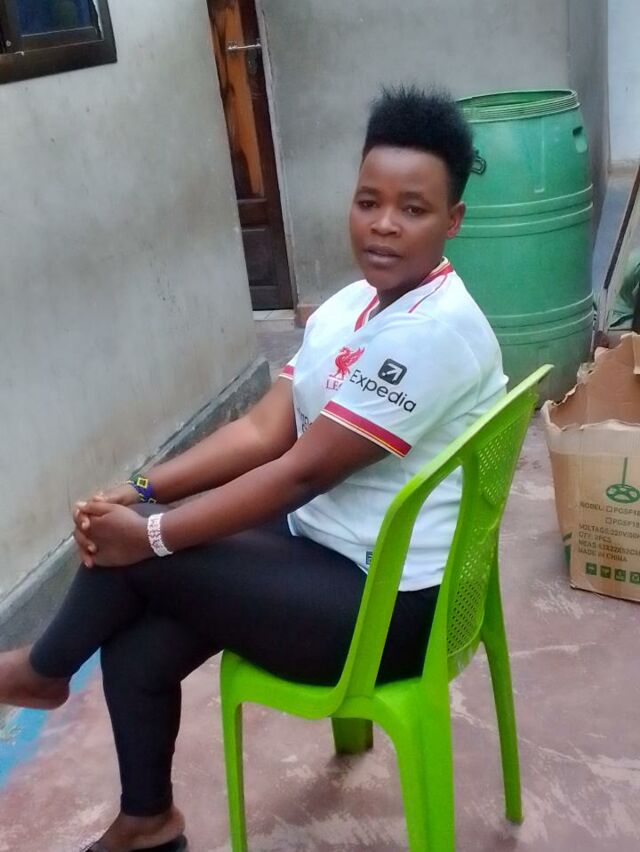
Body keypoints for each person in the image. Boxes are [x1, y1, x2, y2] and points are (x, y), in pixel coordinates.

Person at [0, 86, 506, 852]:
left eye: (413, 209)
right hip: (335, 552)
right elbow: (263, 427)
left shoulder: (434, 332)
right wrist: (142, 489)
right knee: (139, 636)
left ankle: (41, 670)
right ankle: (147, 823)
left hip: (391, 611)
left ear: (453, 221)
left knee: (141, 558)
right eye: (369, 202)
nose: (383, 224)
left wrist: (153, 534)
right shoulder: (354, 305)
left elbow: (300, 472)